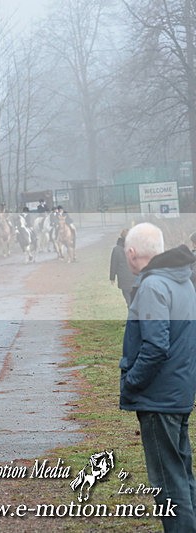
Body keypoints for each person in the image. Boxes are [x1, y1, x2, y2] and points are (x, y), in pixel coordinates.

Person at [120, 222, 196, 532]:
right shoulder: (183, 280)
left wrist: (132, 383)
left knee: (167, 483)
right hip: (179, 392)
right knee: (182, 475)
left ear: (132, 253)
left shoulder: (153, 286)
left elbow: (155, 346)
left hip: (158, 397)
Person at [109, 229, 133, 306]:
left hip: (124, 279)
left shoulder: (116, 249)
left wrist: (112, 277)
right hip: (135, 278)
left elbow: (114, 264)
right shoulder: (135, 248)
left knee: (128, 300)